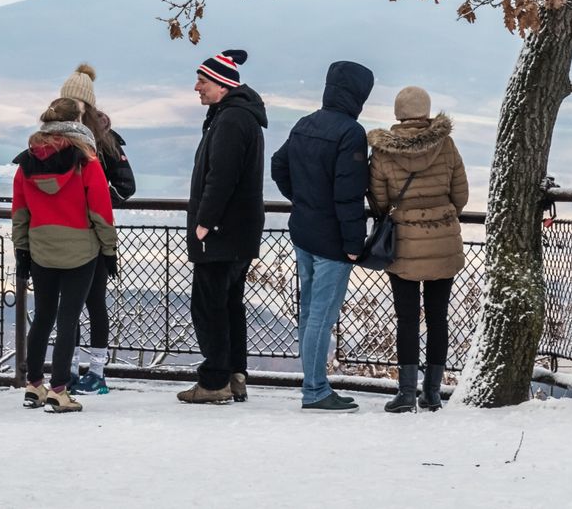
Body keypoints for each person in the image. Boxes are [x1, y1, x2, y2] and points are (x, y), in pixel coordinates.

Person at [271, 60, 374, 412]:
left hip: (303, 232)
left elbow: (278, 164)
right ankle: (315, 390)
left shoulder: (305, 124)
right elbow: (349, 194)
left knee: (308, 313)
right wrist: (353, 245)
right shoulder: (351, 133)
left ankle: (315, 385)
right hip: (332, 241)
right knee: (322, 315)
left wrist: (301, 200)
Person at [12, 98, 118, 413]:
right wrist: (109, 251)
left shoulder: (27, 163)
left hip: (41, 248)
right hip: (81, 250)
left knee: (42, 316)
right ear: (79, 123)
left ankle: (33, 385)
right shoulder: (87, 162)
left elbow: (20, 213)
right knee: (68, 318)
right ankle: (59, 390)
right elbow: (101, 211)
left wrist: (22, 250)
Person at [368, 86, 469, 413]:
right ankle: (434, 393)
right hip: (442, 238)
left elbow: (380, 201)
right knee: (439, 318)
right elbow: (461, 196)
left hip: (404, 244)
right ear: (426, 113)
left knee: (407, 319)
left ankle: (406, 393)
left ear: (398, 113)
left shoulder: (383, 153)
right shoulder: (446, 145)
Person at [177, 50, 267, 405]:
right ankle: (234, 375)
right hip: (238, 231)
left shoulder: (230, 121)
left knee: (209, 305)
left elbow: (221, 177)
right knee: (230, 304)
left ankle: (214, 381)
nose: (196, 87)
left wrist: (204, 223)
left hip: (221, 232)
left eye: (203, 81)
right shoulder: (237, 116)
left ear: (223, 84)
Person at [56, 64, 136, 396]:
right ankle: (70, 369)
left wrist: (98, 202)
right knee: (68, 305)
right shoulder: (56, 136)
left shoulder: (105, 140)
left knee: (94, 302)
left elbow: (126, 185)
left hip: (94, 234)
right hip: (64, 232)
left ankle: (98, 372)